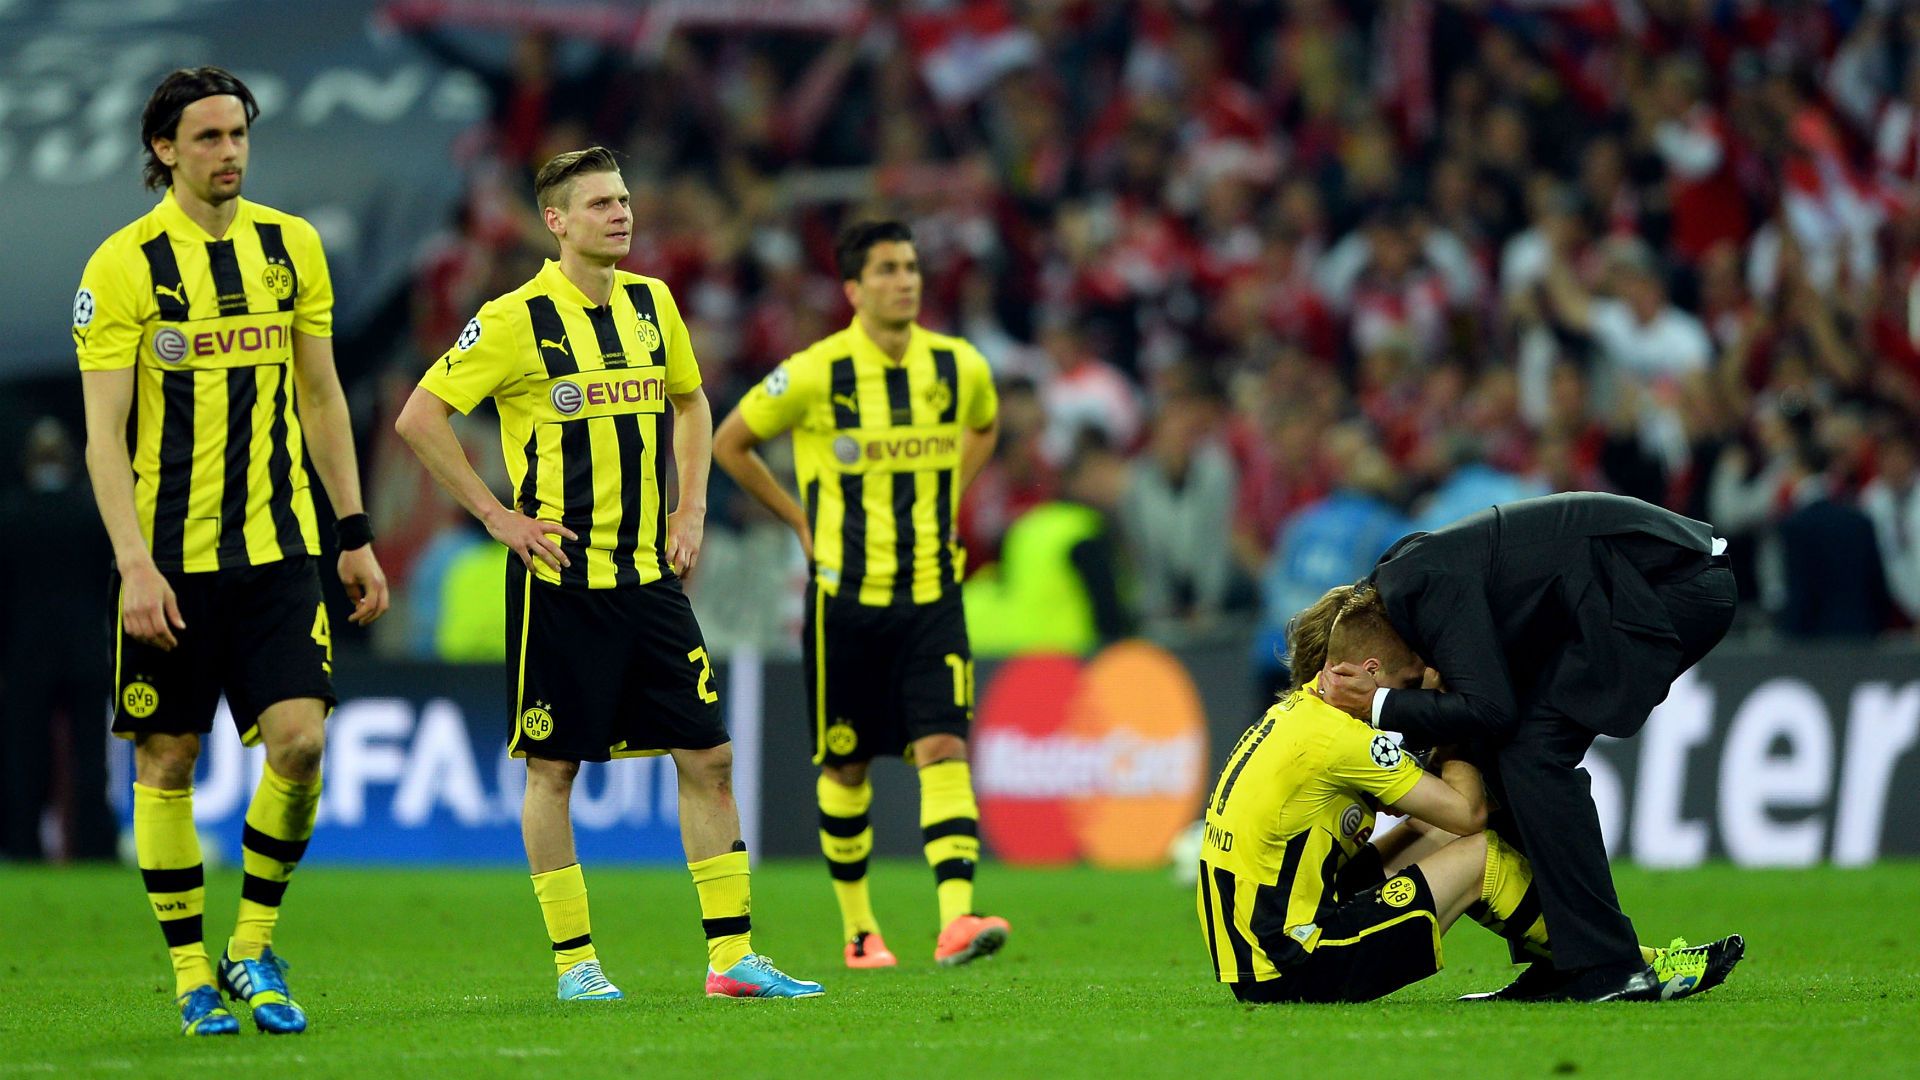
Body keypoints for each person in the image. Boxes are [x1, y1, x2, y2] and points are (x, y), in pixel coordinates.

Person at [394, 146, 820, 1002]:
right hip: (560, 579)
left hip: (648, 579)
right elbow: (420, 416)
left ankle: (732, 959)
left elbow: (693, 402)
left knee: (709, 757)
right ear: (556, 222)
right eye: (599, 204)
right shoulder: (514, 320)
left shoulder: (653, 303)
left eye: (624, 199)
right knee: (555, 771)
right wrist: (496, 515)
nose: (621, 214)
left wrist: (690, 506)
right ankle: (576, 964)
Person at [74, 67, 391, 1036]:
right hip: (168, 560)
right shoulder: (123, 267)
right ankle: (188, 975)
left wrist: (354, 533)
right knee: (167, 761)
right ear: (164, 149)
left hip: (279, 549)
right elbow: (103, 434)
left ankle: (251, 947)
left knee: (301, 740)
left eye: (238, 134)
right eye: (207, 138)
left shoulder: (292, 246)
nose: (230, 153)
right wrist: (133, 562)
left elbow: (324, 396)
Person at [1199, 584, 1742, 1004]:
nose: (1411, 701)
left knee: (1432, 832)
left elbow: (1425, 809)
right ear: (1369, 671)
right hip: (1296, 962)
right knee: (1478, 853)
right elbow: (1468, 810)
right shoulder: (1339, 740)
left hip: (1263, 951)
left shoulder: (1300, 717)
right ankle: (1625, 965)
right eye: (1409, 685)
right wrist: (1458, 712)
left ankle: (1564, 964)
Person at [712, 220, 1010, 970]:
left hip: (932, 595)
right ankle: (859, 931)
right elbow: (729, 443)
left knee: (943, 747)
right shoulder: (814, 373)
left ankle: (956, 920)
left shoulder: (959, 365)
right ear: (853, 289)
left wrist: (948, 492)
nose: (904, 280)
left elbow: (986, 425)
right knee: (845, 766)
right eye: (886, 270)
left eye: (910, 267)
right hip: (843, 601)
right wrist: (798, 519)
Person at [1320, 492, 1738, 1001]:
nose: (1411, 689)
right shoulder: (1405, 583)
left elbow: (1491, 707)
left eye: (1394, 686)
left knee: (1531, 753)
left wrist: (1382, 706)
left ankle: (1609, 965)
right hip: (1628, 578)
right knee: (1503, 753)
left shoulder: (1422, 587)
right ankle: (1564, 958)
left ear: (1369, 668)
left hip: (1671, 582)